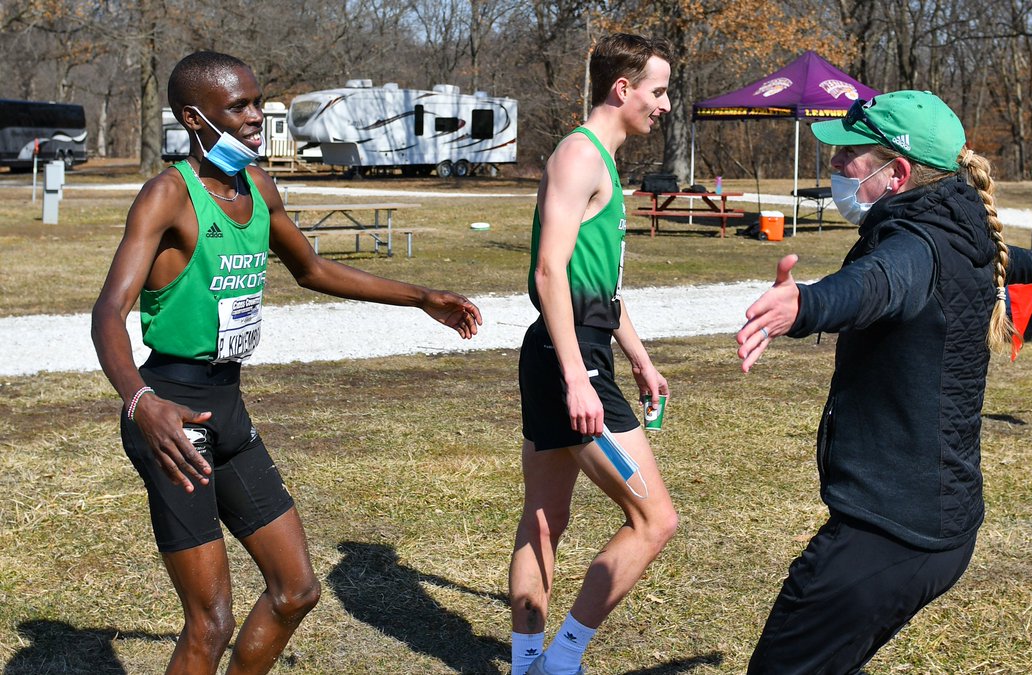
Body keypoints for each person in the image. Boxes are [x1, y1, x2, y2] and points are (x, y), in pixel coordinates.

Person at [90, 51, 482, 674]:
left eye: (257, 102)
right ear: (194, 118)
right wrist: (141, 403)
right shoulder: (168, 196)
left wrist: (421, 297)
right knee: (210, 623)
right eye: (239, 106)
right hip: (171, 413)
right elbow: (108, 310)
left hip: (229, 407)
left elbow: (314, 269)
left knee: (297, 589)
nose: (256, 116)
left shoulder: (258, 186)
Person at [734, 91, 1032, 674]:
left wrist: (804, 305)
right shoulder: (959, 227)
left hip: (889, 533)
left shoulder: (912, 245)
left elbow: (872, 285)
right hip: (941, 525)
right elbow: (1004, 262)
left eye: (848, 157)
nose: (833, 167)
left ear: (896, 173)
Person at [507, 33, 678, 675]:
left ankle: (528, 665)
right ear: (623, 88)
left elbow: (598, 284)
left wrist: (638, 355)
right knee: (655, 520)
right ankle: (559, 660)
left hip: (577, 349)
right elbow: (551, 273)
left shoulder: (605, 162)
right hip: (566, 357)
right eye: (658, 91)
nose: (663, 106)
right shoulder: (579, 157)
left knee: (547, 518)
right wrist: (578, 378)